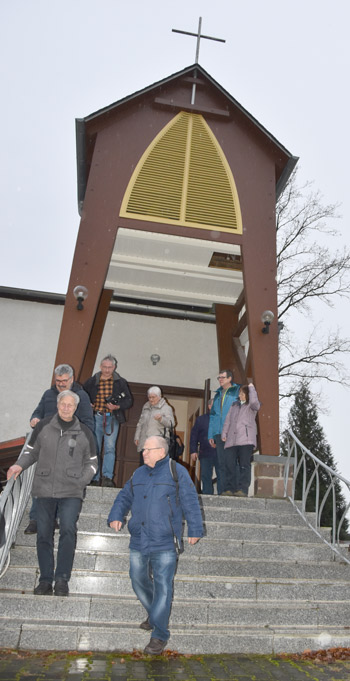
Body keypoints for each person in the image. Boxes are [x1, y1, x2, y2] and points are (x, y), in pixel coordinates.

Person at [108, 435, 203, 655]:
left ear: (161, 451)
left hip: (164, 540)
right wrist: (116, 515)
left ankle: (159, 635)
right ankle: (155, 615)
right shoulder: (138, 473)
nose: (144, 453)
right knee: (137, 579)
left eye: (148, 449)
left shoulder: (176, 471)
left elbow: (190, 500)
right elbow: (124, 496)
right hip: (139, 538)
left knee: (163, 586)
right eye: (143, 450)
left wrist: (195, 529)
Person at [7, 390, 97, 596]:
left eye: (70, 405)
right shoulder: (43, 426)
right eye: (63, 404)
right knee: (44, 535)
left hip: (71, 492)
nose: (66, 408)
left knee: (67, 530)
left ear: (76, 408)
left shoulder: (85, 432)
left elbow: (92, 463)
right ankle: (45, 580)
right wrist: (18, 465)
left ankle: (62, 579)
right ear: (57, 405)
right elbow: (30, 451)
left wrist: (80, 482)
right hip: (44, 488)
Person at [25, 363, 94, 534]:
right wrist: (34, 419)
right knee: (41, 482)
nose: (61, 384)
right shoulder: (48, 394)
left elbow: (88, 423)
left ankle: (55, 518)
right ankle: (36, 520)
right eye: (58, 381)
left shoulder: (81, 396)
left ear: (72, 379)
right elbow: (37, 411)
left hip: (71, 448)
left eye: (64, 381)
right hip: (46, 445)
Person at [83, 355, 133, 487]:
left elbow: (129, 400)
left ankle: (107, 477)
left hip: (112, 418)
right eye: (104, 367)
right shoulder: (91, 381)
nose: (107, 370)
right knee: (95, 448)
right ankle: (94, 476)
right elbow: (81, 396)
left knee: (110, 448)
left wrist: (117, 406)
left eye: (109, 367)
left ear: (114, 367)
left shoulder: (120, 382)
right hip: (95, 417)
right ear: (100, 367)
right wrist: (87, 404)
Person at [221, 383, 260, 497]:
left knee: (244, 465)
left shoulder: (252, 406)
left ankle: (243, 489)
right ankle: (229, 489)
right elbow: (228, 420)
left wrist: (252, 388)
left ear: (248, 395)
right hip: (232, 440)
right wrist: (224, 433)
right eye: (240, 393)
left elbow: (255, 403)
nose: (240, 395)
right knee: (229, 464)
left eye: (243, 393)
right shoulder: (234, 405)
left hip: (246, 440)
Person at [208, 370, 240, 494]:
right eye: (219, 377)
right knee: (221, 463)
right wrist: (211, 434)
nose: (220, 379)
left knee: (231, 461)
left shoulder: (237, 392)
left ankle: (233, 489)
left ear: (230, 378)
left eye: (223, 377)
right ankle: (223, 490)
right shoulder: (217, 395)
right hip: (218, 433)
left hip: (232, 432)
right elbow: (213, 415)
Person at [134, 387, 175, 465]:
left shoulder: (166, 408)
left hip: (157, 444)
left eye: (153, 397)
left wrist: (161, 419)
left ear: (159, 396)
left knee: (155, 467)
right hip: (144, 442)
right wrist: (137, 437)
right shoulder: (145, 407)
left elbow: (171, 424)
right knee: (143, 467)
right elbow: (140, 423)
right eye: (149, 397)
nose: (151, 399)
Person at [190, 399, 220, 494]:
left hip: (220, 453)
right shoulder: (201, 419)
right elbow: (194, 435)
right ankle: (207, 495)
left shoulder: (222, 419)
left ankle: (221, 495)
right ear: (209, 406)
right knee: (206, 476)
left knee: (222, 475)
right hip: (205, 453)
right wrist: (193, 451)